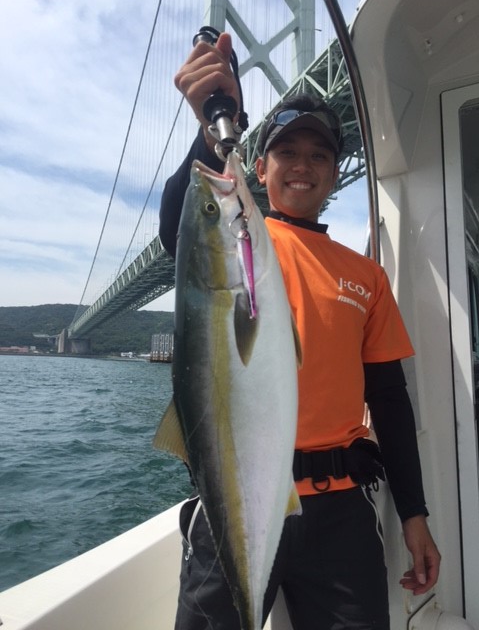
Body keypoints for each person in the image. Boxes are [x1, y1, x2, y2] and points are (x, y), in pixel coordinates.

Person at [159, 32, 441, 630]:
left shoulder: (366, 275)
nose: (303, 165)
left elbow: (389, 398)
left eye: (319, 155)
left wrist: (413, 513)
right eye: (287, 151)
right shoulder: (246, 242)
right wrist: (213, 127)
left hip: (340, 511)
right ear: (259, 168)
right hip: (234, 498)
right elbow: (184, 229)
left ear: (335, 174)